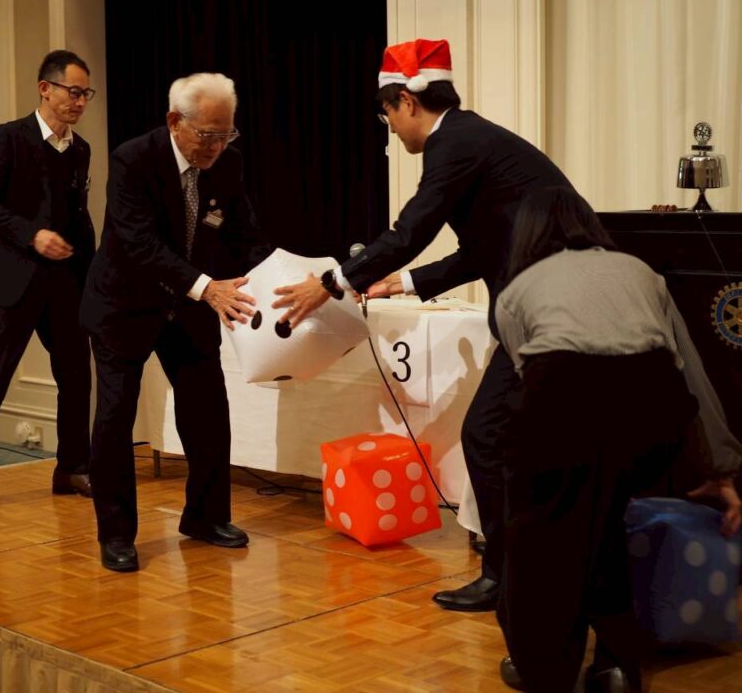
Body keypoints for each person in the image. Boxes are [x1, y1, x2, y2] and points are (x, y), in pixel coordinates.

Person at [273, 38, 574, 611]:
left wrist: (333, 281)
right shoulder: (473, 137)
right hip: (549, 305)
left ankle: (508, 580)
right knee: (507, 438)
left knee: (486, 435)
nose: (389, 128)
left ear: (407, 102)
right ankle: (520, 574)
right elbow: (482, 248)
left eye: (387, 114)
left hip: (548, 313)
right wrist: (402, 283)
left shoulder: (453, 143)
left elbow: (410, 230)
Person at [491, 186, 741, 693]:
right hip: (650, 410)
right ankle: (617, 667)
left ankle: (545, 669)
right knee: (605, 523)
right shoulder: (641, 272)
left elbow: (532, 379)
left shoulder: (515, 293)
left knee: (540, 540)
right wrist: (720, 469)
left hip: (560, 401)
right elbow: (690, 370)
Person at [80, 72, 270, 572]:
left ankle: (206, 517)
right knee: (116, 418)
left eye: (226, 134)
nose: (216, 147)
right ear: (174, 121)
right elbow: (138, 243)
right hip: (123, 304)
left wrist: (286, 275)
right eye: (207, 135)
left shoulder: (228, 164)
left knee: (208, 410)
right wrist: (206, 287)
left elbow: (244, 235)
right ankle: (116, 534)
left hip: (186, 308)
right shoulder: (132, 160)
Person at [0, 50, 97, 518]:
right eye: (73, 91)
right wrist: (32, 235)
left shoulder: (81, 150)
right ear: (45, 88)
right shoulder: (7, 138)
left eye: (86, 94)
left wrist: (92, 274)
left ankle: (72, 466)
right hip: (14, 279)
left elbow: (79, 216)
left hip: (66, 282)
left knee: (76, 376)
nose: (80, 102)